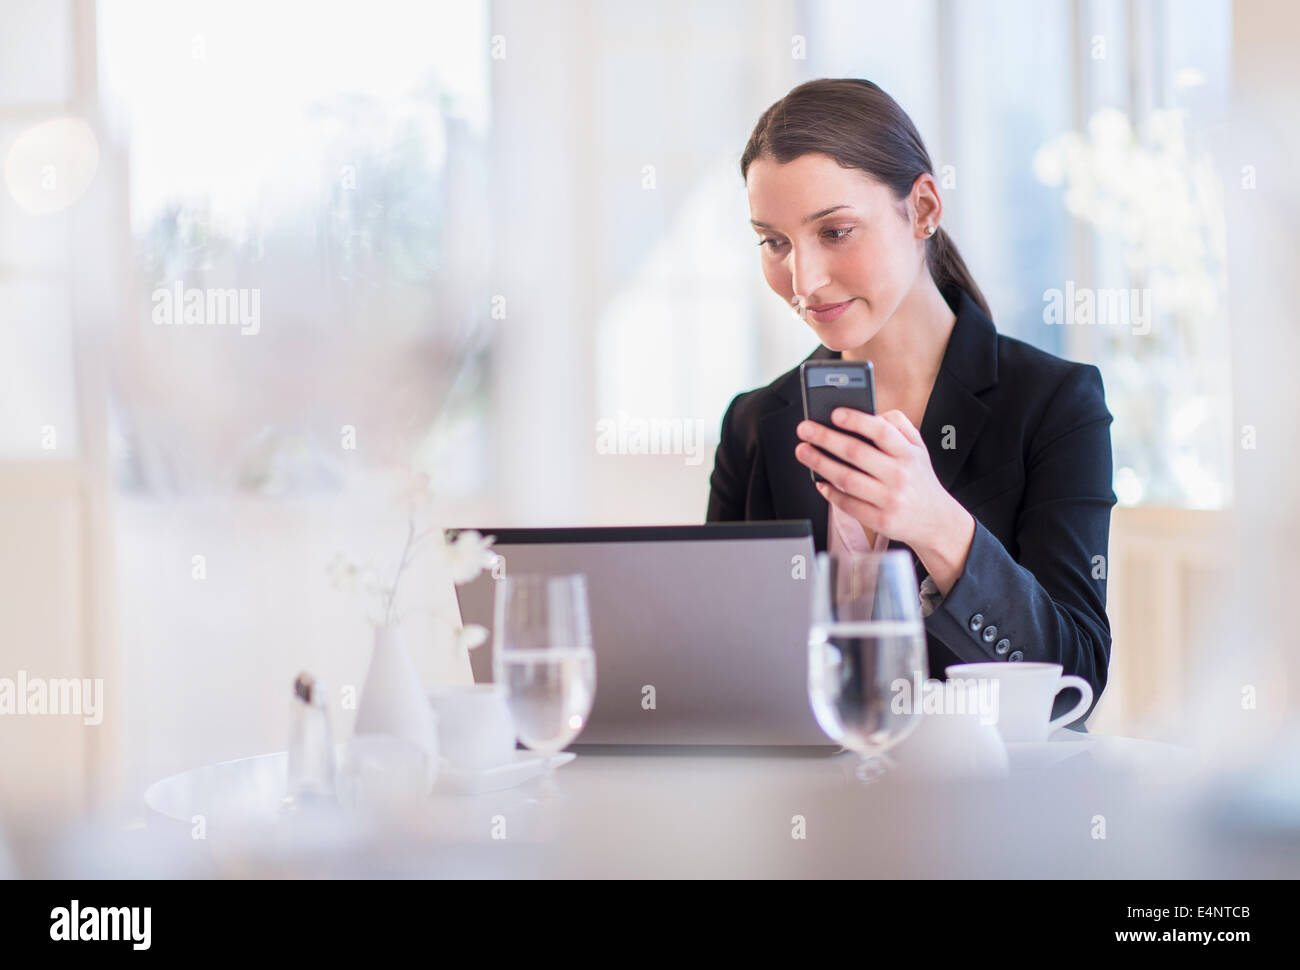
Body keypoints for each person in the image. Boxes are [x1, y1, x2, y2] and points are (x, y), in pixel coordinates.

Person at [707, 79, 1116, 729]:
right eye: (774, 242)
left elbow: (1075, 678)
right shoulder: (755, 425)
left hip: (986, 812)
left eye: (835, 231)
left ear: (922, 209)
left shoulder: (1054, 405)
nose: (804, 281)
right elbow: (716, 666)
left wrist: (936, 525)